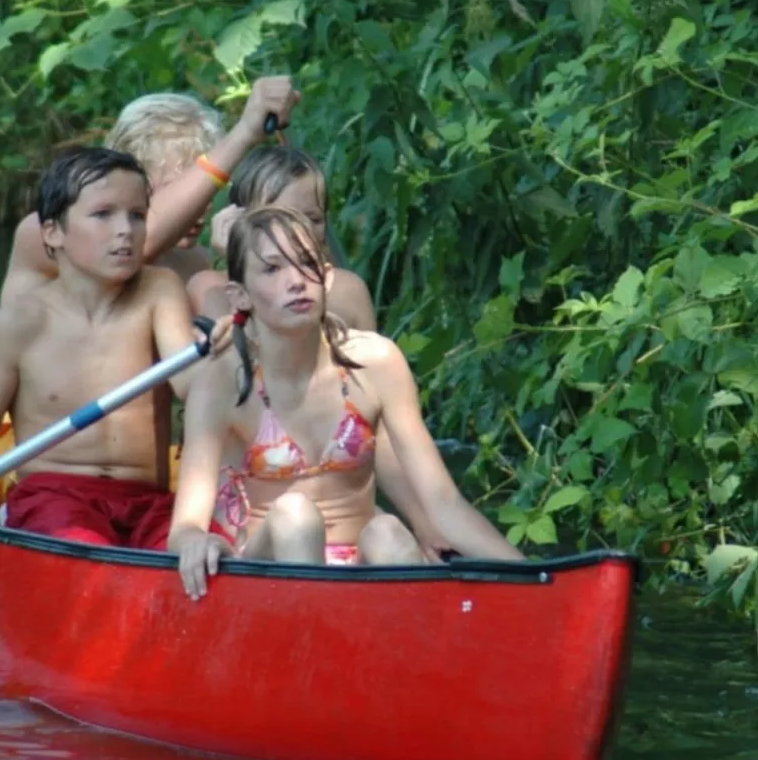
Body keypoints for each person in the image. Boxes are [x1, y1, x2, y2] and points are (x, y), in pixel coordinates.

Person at [167, 207, 524, 600]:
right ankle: (308, 652)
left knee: (388, 532)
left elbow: (443, 502)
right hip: (265, 577)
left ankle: (412, 651)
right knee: (294, 515)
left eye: (305, 265)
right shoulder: (221, 380)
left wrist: (538, 581)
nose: (295, 282)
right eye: (272, 270)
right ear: (240, 295)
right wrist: (196, 543)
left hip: (359, 570)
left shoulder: (375, 362)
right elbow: (185, 527)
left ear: (327, 277)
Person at [0, 147, 231, 548]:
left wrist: (221, 354)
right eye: (103, 214)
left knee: (213, 549)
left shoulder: (159, 290)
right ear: (53, 232)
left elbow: (191, 384)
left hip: (148, 501)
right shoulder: (18, 323)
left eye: (137, 215)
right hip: (53, 497)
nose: (125, 230)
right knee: (86, 545)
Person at [0, 77, 301, 308]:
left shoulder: (195, 263)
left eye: (208, 191)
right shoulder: (50, 233)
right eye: (177, 188)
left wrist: (245, 268)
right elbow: (142, 243)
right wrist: (246, 132)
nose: (201, 204)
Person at [188, 146, 376, 330]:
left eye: (313, 219)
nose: (301, 231)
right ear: (237, 222)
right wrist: (239, 266)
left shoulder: (347, 291)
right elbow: (237, 356)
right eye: (280, 220)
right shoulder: (209, 290)